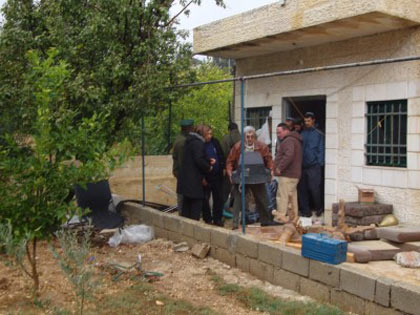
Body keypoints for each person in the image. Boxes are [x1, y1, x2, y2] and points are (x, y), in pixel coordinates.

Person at [226, 126, 280, 229]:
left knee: (262, 199)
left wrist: (271, 170)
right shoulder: (238, 147)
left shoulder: (262, 146)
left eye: (252, 136)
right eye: (247, 137)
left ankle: (265, 221)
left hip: (257, 176)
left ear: (255, 137)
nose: (250, 139)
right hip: (242, 177)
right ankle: (235, 223)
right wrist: (230, 173)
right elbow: (230, 161)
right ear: (244, 137)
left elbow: (269, 159)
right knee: (238, 200)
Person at [177, 124, 213, 220]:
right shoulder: (198, 143)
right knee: (195, 210)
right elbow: (199, 160)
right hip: (194, 183)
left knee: (186, 209)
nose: (210, 136)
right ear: (203, 133)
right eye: (208, 134)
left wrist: (208, 160)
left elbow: (193, 159)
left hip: (186, 182)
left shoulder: (189, 142)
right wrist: (208, 167)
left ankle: (185, 230)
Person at [298, 112, 325, 224]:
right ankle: (305, 210)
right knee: (302, 189)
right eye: (305, 121)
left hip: (314, 166)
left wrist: (319, 163)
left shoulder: (318, 134)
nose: (307, 123)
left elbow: (321, 149)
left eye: (309, 121)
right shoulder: (302, 133)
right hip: (302, 165)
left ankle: (319, 208)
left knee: (314, 188)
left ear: (313, 120)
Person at [273, 123, 302, 222]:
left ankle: (280, 218)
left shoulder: (288, 141)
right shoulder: (295, 140)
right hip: (294, 174)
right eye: (277, 132)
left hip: (287, 174)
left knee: (282, 197)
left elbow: (289, 155)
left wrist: (279, 168)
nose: (278, 134)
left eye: (279, 132)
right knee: (292, 197)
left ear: (286, 131)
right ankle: (294, 219)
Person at [202, 127, 225, 226]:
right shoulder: (200, 144)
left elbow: (221, 154)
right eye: (208, 134)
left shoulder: (215, 142)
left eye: (211, 134)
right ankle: (207, 219)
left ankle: (217, 219)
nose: (210, 136)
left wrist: (223, 167)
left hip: (217, 175)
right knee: (205, 199)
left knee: (218, 198)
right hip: (206, 177)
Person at [172, 119, 194, 212]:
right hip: (183, 175)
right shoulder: (182, 142)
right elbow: (182, 162)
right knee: (183, 200)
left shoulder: (180, 139)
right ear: (188, 129)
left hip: (181, 174)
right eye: (191, 128)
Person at [220, 122, 241, 208]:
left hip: (229, 169)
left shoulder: (226, 138)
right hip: (241, 168)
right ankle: (239, 209)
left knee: (225, 189)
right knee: (239, 190)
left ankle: (223, 209)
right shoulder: (244, 137)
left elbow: (222, 154)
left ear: (229, 130)